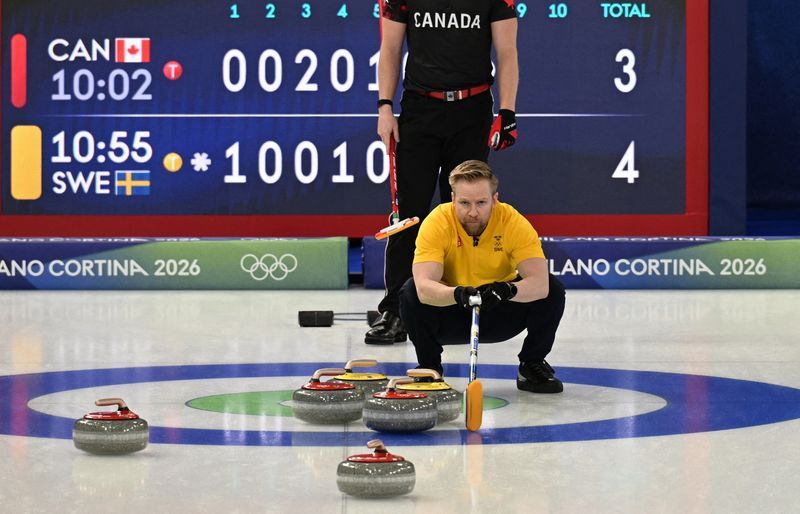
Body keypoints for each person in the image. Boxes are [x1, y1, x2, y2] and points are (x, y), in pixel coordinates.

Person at [366, 0, 520, 344]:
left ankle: (456, 301)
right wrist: (385, 108)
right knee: (409, 213)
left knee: (467, 211)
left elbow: (507, 51)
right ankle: (396, 310)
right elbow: (390, 48)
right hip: (420, 108)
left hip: (472, 110)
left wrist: (507, 110)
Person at [399, 160, 566, 393]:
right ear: (453, 198)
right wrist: (457, 294)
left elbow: (539, 285)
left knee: (553, 289)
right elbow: (425, 288)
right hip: (451, 310)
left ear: (495, 199)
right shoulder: (437, 222)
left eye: (481, 203)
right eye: (465, 203)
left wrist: (508, 290)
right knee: (410, 293)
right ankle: (429, 367)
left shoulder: (513, 222)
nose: (473, 212)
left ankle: (531, 363)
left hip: (498, 308)